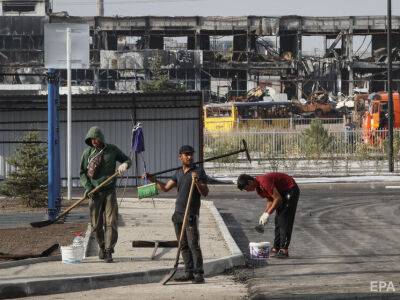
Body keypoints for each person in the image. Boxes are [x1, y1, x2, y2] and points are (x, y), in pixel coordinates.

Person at [145, 145, 209, 283]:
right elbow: (166, 188)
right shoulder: (178, 172)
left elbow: (205, 192)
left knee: (193, 244)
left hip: (190, 214)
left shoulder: (198, 171)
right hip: (178, 214)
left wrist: (197, 181)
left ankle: (199, 274)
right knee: (183, 244)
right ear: (180, 157)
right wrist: (153, 179)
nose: (190, 157)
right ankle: (188, 272)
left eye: (191, 154)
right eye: (186, 154)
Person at [80, 126, 131, 263]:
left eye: (95, 139)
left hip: (109, 192)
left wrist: (124, 165)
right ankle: (102, 246)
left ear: (101, 138)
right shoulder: (87, 153)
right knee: (96, 224)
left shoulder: (112, 150)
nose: (94, 142)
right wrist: (88, 187)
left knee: (111, 222)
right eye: (91, 140)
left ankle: (109, 250)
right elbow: (82, 173)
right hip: (94, 193)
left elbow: (128, 160)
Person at [237, 172, 300, 258]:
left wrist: (268, 213)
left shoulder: (264, 182)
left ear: (250, 182)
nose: (247, 191)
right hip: (281, 193)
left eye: (246, 188)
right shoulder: (259, 189)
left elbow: (277, 198)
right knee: (278, 221)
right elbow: (271, 199)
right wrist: (265, 213)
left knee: (284, 220)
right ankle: (276, 248)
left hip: (290, 190)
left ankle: (284, 250)